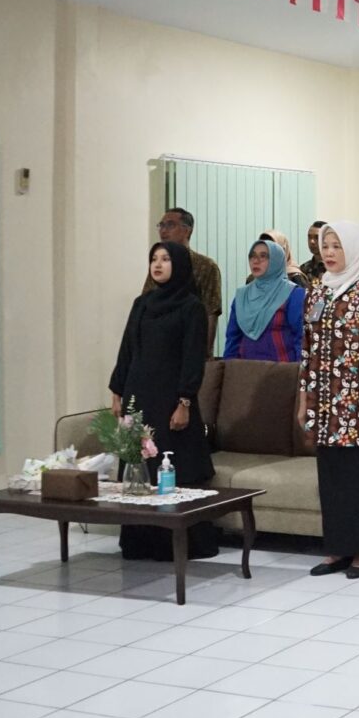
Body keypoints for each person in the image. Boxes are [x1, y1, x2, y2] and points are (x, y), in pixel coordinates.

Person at [297, 222, 359, 580]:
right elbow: (307, 349)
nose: (328, 252)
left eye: (337, 246)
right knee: (332, 476)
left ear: (352, 249)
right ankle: (338, 547)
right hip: (325, 402)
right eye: (325, 245)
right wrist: (303, 397)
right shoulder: (317, 290)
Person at [111, 242, 219, 560]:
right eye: (154, 259)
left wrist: (184, 401)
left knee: (173, 465)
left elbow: (193, 357)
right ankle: (140, 542)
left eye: (166, 259)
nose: (157, 265)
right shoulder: (141, 304)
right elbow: (127, 349)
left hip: (171, 400)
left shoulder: (191, 307)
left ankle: (180, 544)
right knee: (139, 464)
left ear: (180, 264)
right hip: (138, 397)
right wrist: (117, 392)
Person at [144, 208, 223, 352]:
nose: (163, 230)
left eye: (170, 225)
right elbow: (145, 304)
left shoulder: (205, 266)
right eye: (161, 225)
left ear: (187, 231)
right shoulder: (158, 266)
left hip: (188, 345)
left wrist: (205, 352)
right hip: (155, 346)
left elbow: (211, 311)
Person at [224, 240, 305, 362]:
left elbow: (301, 338)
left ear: (275, 261)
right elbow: (233, 338)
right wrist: (228, 368)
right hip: (245, 369)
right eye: (252, 256)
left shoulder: (293, 294)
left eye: (263, 256)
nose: (256, 261)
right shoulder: (242, 296)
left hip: (283, 369)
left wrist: (301, 369)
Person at [300, 220, 327, 286]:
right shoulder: (304, 269)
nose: (312, 241)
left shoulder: (335, 268)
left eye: (317, 237)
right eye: (309, 237)